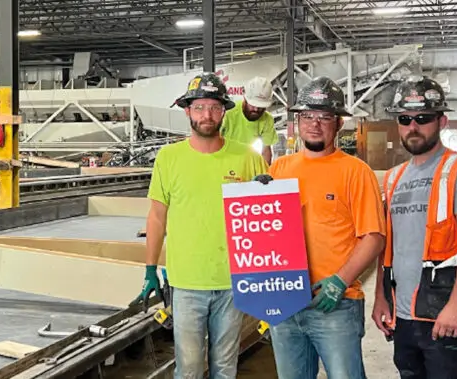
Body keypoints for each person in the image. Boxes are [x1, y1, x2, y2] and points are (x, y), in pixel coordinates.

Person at [134, 72, 268, 379]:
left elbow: (264, 220)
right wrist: (150, 269)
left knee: (224, 366)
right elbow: (157, 216)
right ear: (187, 111)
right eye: (199, 107)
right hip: (186, 283)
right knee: (189, 368)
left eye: (214, 107)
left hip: (233, 282)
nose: (207, 115)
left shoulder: (248, 158)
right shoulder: (168, 158)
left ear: (224, 112)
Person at [260, 76, 386, 379]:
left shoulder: (356, 172)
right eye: (307, 116)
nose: (315, 124)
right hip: (287, 302)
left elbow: (374, 237)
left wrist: (340, 281)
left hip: (336, 305)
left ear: (338, 123)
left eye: (324, 117)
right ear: (297, 122)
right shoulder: (279, 169)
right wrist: (255, 197)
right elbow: (265, 232)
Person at [374, 77, 457, 379]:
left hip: (445, 311)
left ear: (442, 121)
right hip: (404, 315)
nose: (413, 127)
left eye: (423, 118)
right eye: (405, 119)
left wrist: (456, 306)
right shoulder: (392, 178)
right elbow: (387, 247)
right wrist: (380, 297)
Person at [221, 76, 278, 165]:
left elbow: (266, 151)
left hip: (246, 164)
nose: (256, 109)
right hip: (224, 161)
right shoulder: (227, 114)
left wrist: (266, 174)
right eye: (252, 104)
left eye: (261, 106)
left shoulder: (267, 119)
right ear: (244, 98)